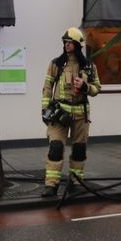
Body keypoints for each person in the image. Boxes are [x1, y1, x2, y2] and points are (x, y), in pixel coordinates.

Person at [40, 27, 101, 197]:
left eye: (70, 43)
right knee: (56, 148)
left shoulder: (89, 66)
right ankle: (51, 185)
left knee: (79, 149)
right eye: (65, 42)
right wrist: (45, 109)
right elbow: (47, 87)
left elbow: (97, 88)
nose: (67, 45)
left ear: (78, 45)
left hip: (81, 114)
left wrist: (86, 87)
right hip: (60, 113)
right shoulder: (56, 64)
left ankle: (76, 182)